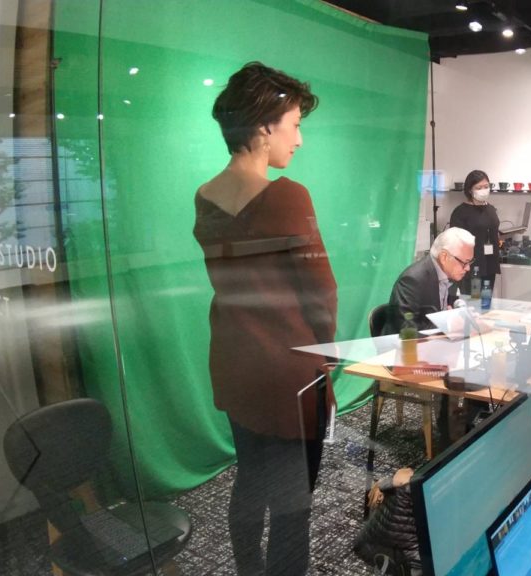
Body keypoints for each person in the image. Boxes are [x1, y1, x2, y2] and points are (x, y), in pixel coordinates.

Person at [193, 62, 337, 576]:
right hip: (289, 375)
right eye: (294, 124)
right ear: (263, 126)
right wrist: (327, 354)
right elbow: (321, 296)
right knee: (294, 504)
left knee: (251, 479)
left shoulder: (205, 197)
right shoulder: (288, 196)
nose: (299, 139)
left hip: (235, 366)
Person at [386, 226, 475, 333]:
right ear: (444, 257)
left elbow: (446, 306)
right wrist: (448, 324)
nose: (468, 268)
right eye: (464, 262)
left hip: (440, 341)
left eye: (470, 262)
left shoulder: (449, 273)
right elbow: (406, 328)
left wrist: (461, 314)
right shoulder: (412, 280)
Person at [449, 170, 500, 296]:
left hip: (490, 264)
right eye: (479, 187)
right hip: (472, 268)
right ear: (470, 190)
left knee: (486, 301)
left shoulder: (491, 209)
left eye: (486, 186)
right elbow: (456, 242)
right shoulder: (461, 212)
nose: (484, 190)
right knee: (474, 301)